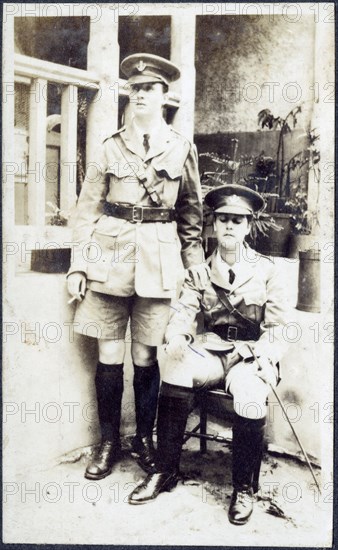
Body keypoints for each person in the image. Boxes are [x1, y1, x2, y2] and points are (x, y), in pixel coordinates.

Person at [67, 53, 208, 480]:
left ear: (165, 96)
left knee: (146, 356)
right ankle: (109, 442)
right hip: (108, 260)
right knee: (109, 353)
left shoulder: (182, 148)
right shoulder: (110, 146)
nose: (141, 94)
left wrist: (195, 261)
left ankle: (142, 439)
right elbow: (86, 211)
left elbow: (191, 213)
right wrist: (78, 266)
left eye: (150, 89)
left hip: (159, 261)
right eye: (135, 88)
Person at [128, 184, 290, 525]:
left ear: (248, 226)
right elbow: (185, 311)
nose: (229, 226)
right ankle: (165, 470)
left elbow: (279, 327)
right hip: (213, 350)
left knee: (248, 391)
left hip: (250, 355)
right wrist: (176, 335)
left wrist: (267, 352)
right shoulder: (199, 272)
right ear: (213, 225)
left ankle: (243, 488)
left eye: (237, 220)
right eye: (223, 219)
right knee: (173, 361)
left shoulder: (267, 270)